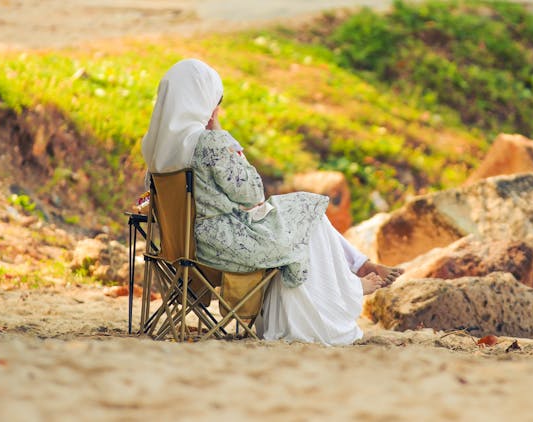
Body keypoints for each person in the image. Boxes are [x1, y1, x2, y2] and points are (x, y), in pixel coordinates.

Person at [141, 58, 402, 346]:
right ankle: (349, 286)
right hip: (225, 246)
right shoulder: (208, 143)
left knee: (304, 212)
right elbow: (252, 192)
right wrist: (220, 132)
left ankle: (356, 271)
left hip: (183, 246)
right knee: (307, 210)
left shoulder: (154, 147)